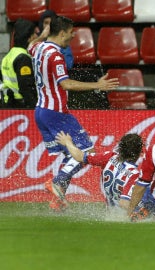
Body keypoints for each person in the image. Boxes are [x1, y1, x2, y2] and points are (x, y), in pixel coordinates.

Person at [28, 16, 119, 211]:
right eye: (71, 32)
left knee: (69, 153)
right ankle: (57, 183)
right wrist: (98, 85)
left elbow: (30, 46)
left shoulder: (39, 48)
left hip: (41, 111)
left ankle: (58, 199)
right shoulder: (56, 55)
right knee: (86, 151)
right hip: (56, 112)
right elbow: (66, 83)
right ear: (62, 33)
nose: (73, 36)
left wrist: (44, 34)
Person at [55, 131, 143, 211]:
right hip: (125, 218)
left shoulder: (109, 157)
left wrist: (68, 142)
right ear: (139, 152)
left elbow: (79, 156)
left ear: (120, 148)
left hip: (110, 213)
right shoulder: (134, 174)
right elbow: (124, 203)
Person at [0, 19, 38, 108]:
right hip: (21, 106)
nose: (36, 37)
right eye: (34, 34)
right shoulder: (23, 58)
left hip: (8, 103)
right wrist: (35, 108)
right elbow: (26, 88)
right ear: (29, 38)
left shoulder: (8, 55)